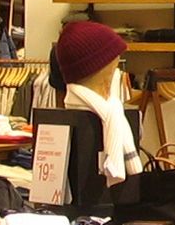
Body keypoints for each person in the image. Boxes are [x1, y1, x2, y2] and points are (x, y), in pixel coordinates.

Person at [53, 20, 142, 186]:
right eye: (114, 56)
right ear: (98, 65)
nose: (118, 59)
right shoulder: (111, 114)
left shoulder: (113, 110)